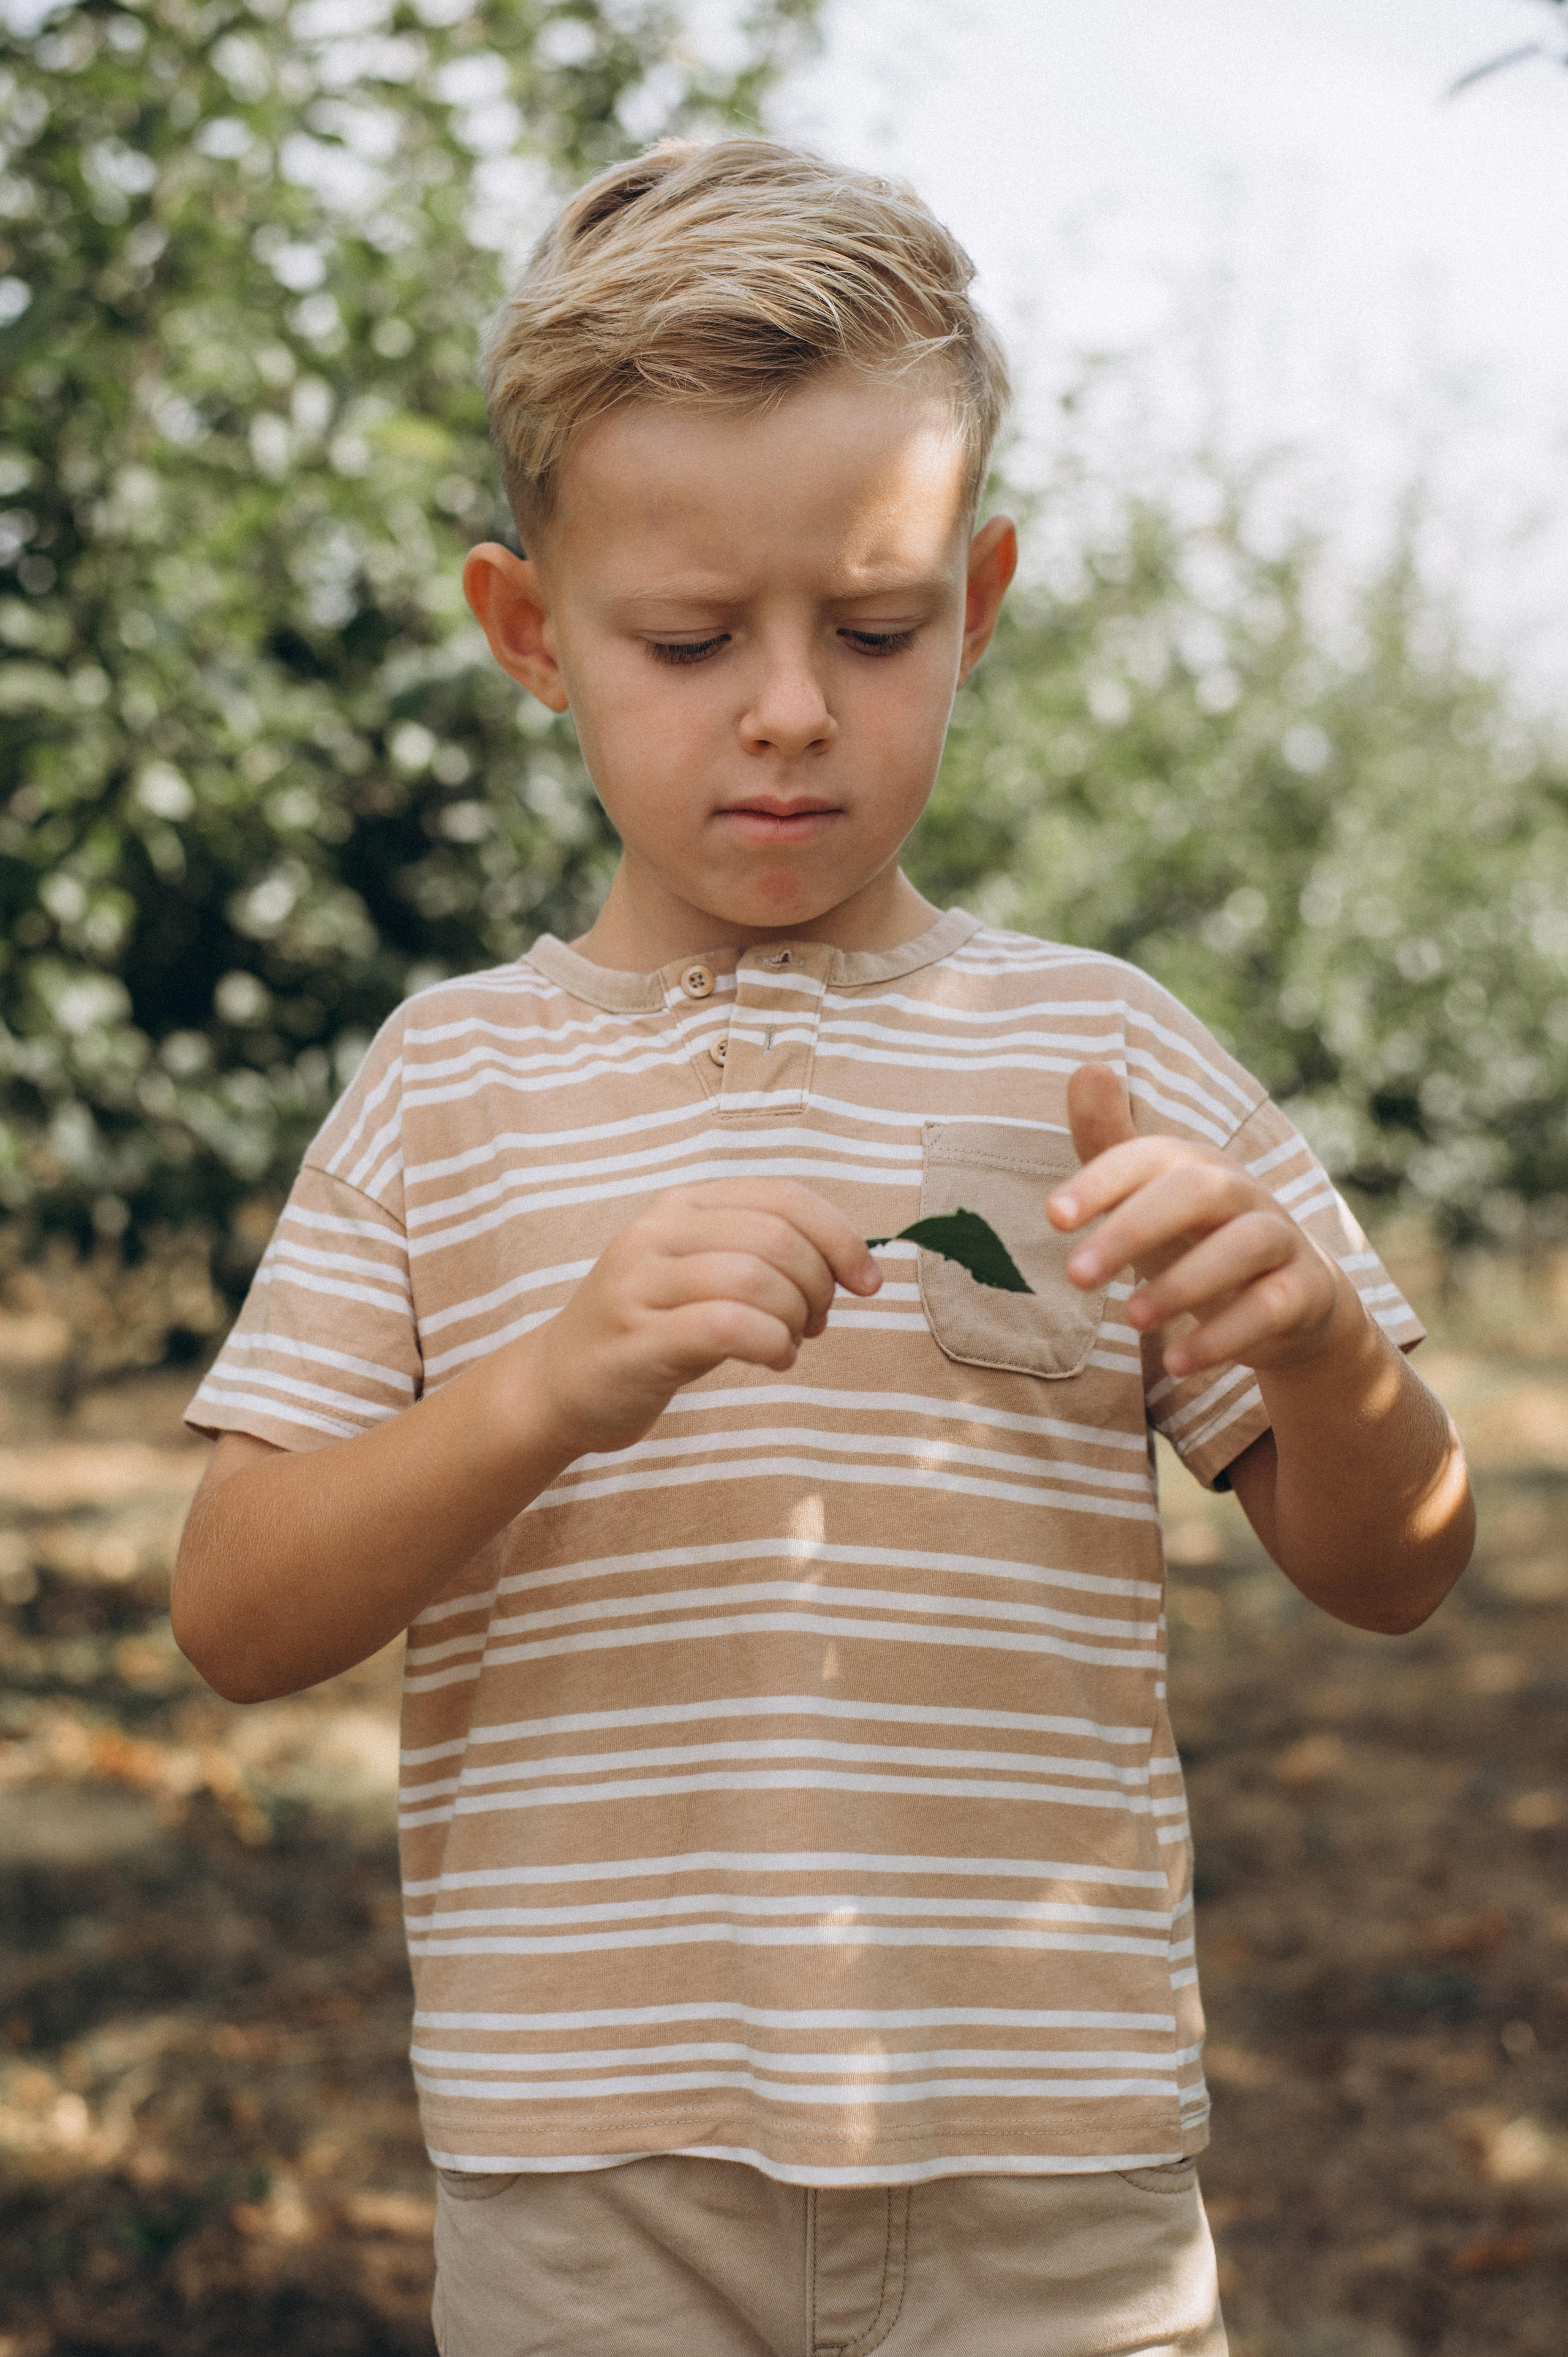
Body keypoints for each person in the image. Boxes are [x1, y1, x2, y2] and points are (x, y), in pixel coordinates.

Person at [172, 138, 1474, 2357]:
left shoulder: (1100, 1052)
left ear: (974, 606)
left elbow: (1399, 1559)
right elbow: (234, 1608)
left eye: (873, 632)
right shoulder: (449, 1084)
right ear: (533, 638)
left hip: (1049, 2158)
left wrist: (1332, 1361)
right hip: (595, 2166)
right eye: (690, 639)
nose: (789, 706)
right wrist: (548, 1387)